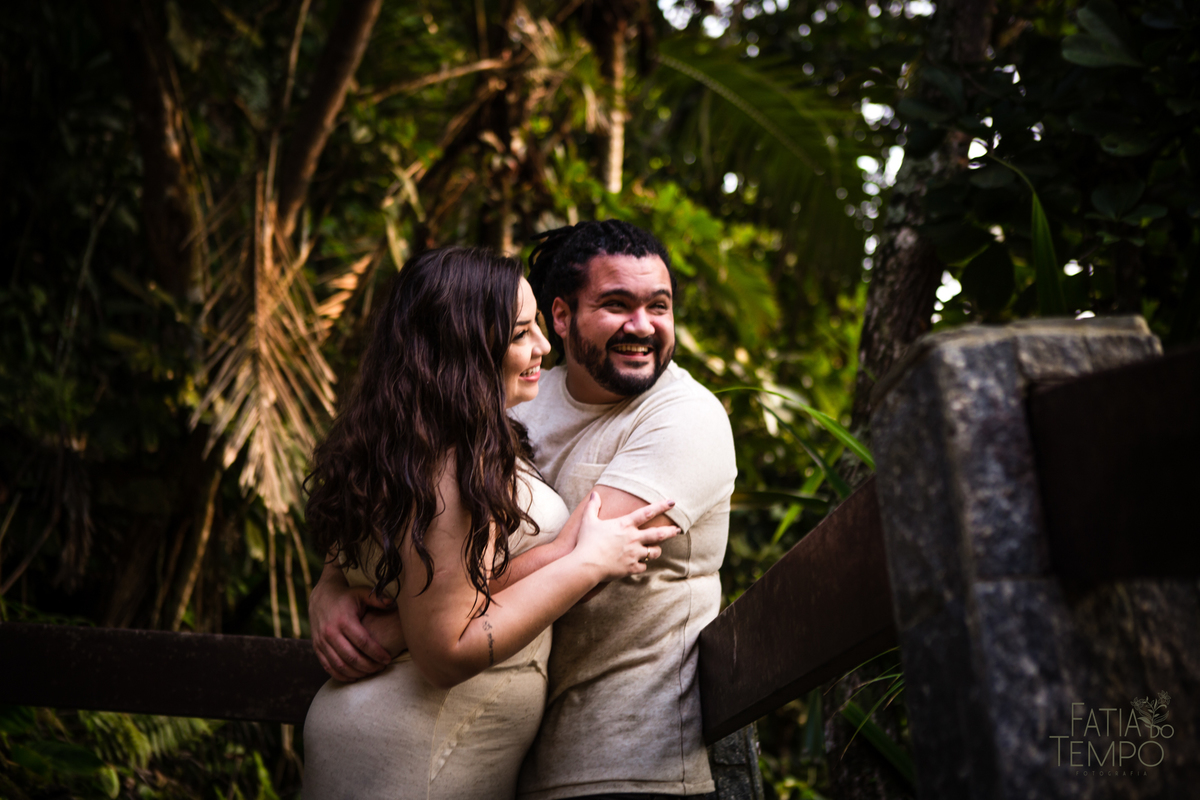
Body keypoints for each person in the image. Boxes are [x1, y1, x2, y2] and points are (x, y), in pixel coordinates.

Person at [309, 221, 737, 800]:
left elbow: (583, 553)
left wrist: (395, 625)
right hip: (439, 743)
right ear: (563, 317)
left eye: (658, 305)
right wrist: (330, 587)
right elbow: (549, 558)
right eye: (616, 304)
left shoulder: (684, 419)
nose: (642, 326)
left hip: (624, 753)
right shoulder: (503, 409)